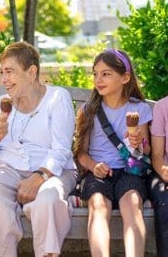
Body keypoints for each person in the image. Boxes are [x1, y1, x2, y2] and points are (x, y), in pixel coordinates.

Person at [0, 41, 77, 257]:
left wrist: (39, 176)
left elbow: (61, 150)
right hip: (6, 168)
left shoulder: (57, 98)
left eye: (10, 72)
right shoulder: (0, 104)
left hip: (52, 172)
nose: (4, 80)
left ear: (31, 72)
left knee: (49, 199)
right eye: (2, 72)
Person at [74, 49, 152, 257]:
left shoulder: (140, 109)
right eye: (95, 74)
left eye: (106, 74)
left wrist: (138, 143)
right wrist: (93, 166)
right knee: (98, 207)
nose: (98, 79)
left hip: (129, 172)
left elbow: (145, 151)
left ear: (125, 77)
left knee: (132, 204)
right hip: (98, 173)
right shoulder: (88, 110)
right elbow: (80, 153)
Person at [146, 96, 168, 257]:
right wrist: (165, 173)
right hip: (164, 173)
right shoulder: (162, 107)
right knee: (165, 204)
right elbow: (157, 155)